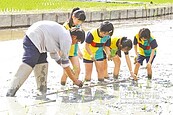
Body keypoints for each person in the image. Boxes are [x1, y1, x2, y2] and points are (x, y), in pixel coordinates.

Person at [6, 20, 85, 97]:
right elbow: (65, 64)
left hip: (39, 40)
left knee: (42, 62)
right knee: (29, 62)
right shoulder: (67, 39)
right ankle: (11, 91)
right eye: (77, 41)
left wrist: (63, 65)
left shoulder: (63, 34)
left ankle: (41, 91)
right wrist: (75, 80)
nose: (75, 44)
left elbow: (54, 53)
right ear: (74, 37)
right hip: (34, 38)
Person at [61, 7, 86, 85]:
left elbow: (77, 40)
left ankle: (75, 84)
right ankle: (62, 85)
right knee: (66, 72)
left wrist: (79, 51)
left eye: (81, 22)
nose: (79, 23)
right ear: (73, 17)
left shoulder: (78, 27)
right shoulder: (65, 27)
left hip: (73, 52)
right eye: (78, 21)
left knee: (77, 69)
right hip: (66, 52)